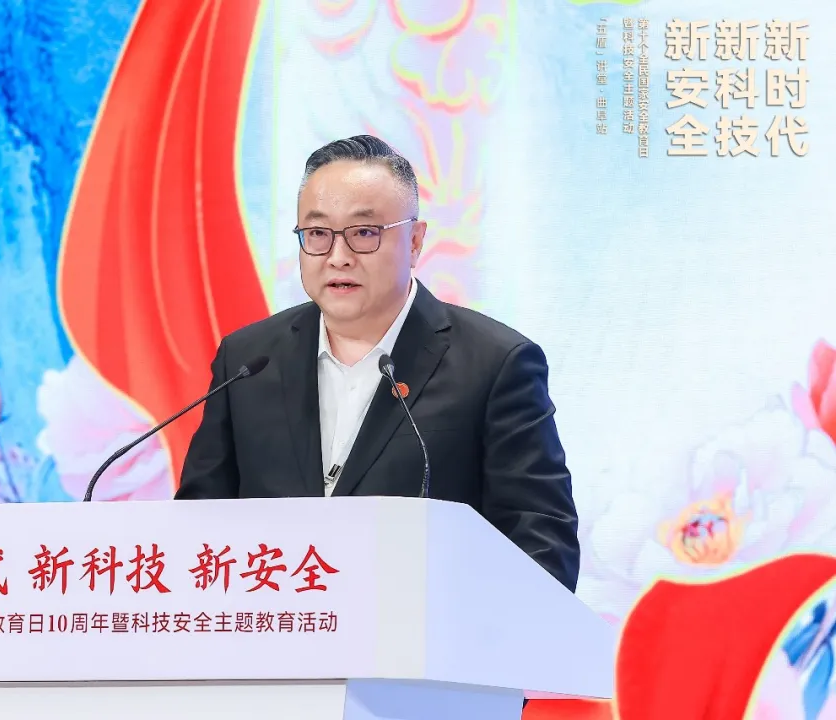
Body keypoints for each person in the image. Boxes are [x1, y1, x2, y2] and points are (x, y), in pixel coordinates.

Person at [175, 135, 580, 592]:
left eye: (364, 233)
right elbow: (196, 527)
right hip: (277, 630)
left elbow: (543, 548)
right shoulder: (248, 359)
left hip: (428, 633)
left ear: (415, 241)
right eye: (318, 234)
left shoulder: (495, 365)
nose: (338, 257)